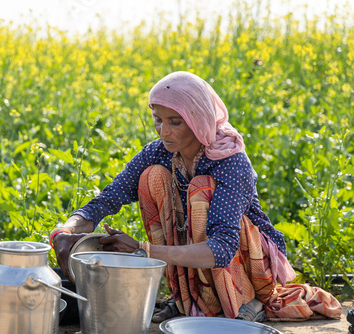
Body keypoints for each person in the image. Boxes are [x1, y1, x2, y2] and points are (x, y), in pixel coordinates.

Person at [49, 71, 341, 323]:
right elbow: (109, 198)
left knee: (202, 190)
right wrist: (66, 230)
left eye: (175, 122)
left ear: (198, 119)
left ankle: (245, 300)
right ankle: (186, 299)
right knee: (152, 177)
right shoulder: (160, 153)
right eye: (158, 120)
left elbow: (223, 248)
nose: (164, 131)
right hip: (199, 258)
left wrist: (142, 250)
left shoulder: (230, 161)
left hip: (247, 260)